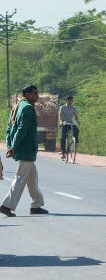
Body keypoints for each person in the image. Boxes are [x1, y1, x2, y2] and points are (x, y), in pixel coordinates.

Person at [1, 84, 48, 216]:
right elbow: (22, 129)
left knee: (32, 177)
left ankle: (36, 205)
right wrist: (13, 147)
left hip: (24, 149)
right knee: (20, 178)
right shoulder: (27, 108)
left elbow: (9, 128)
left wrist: (11, 144)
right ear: (27, 94)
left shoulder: (17, 106)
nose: (37, 96)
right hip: (26, 149)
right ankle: (6, 205)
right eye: (35, 93)